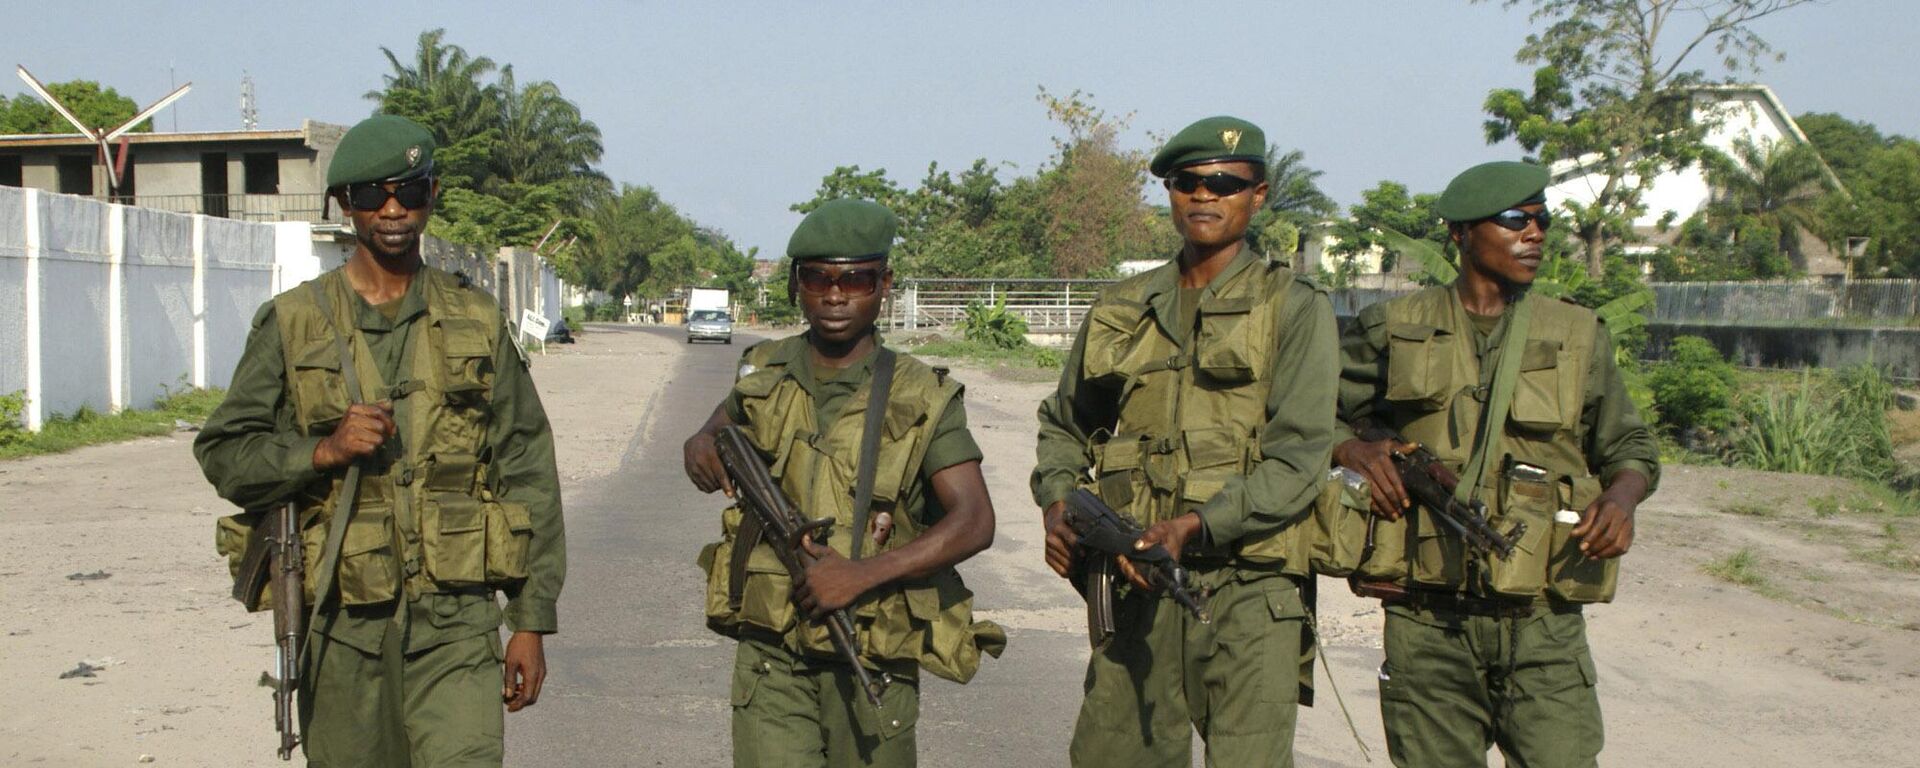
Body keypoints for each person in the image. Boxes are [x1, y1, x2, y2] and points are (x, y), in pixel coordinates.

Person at [197, 114, 566, 767]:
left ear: (433, 196)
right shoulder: (294, 321)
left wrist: (531, 619)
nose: (392, 210)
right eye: (371, 195)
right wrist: (321, 451)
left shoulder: (476, 318)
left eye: (409, 191)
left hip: (457, 626)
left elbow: (525, 463)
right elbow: (225, 451)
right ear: (345, 206)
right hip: (343, 628)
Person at [1030, 116, 1339, 767]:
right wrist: (1059, 502)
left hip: (1251, 588)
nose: (1205, 195)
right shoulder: (1123, 307)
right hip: (1134, 579)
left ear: (1258, 196)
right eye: (1187, 182)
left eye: (1226, 182)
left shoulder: (1295, 306)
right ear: (1170, 193)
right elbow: (1065, 423)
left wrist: (1197, 525)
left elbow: (1300, 457)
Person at [1331, 160, 1658, 767]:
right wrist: (1353, 448)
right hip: (1427, 619)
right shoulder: (1392, 326)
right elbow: (1312, 414)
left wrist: (1622, 499)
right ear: (1460, 234)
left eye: (1542, 220)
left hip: (1543, 621)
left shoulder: (1577, 333)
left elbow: (1630, 448)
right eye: (1515, 220)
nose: (1535, 234)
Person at [682, 199, 1005, 767]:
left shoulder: (922, 393)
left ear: (883, 284)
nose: (835, 295)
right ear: (796, 285)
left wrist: (860, 575)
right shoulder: (764, 368)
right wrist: (700, 445)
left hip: (871, 644)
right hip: (772, 650)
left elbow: (975, 521)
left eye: (855, 278)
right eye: (818, 278)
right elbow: (717, 428)